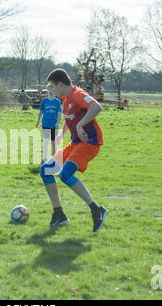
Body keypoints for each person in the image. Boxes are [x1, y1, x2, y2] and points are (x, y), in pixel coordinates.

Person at [39, 68, 108, 232]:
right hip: (75, 143)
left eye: (54, 87)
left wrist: (80, 125)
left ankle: (96, 209)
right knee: (46, 170)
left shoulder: (77, 94)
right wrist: (62, 135)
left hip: (89, 143)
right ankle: (59, 215)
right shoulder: (65, 99)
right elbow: (69, 118)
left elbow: (96, 107)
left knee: (65, 174)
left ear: (61, 85)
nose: (52, 90)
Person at [36, 84, 62, 161]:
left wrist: (57, 122)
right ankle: (44, 158)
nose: (51, 91)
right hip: (45, 124)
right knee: (46, 141)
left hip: (54, 125)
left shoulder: (57, 101)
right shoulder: (44, 101)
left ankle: (53, 158)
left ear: (55, 91)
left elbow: (59, 113)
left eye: (52, 90)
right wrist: (38, 122)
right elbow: (40, 112)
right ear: (47, 90)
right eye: (49, 90)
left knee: (53, 141)